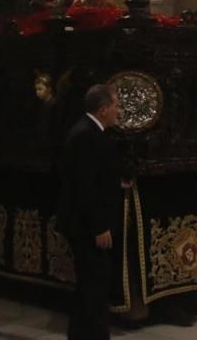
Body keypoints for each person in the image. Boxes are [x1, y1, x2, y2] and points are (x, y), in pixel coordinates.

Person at [60, 84, 126, 340]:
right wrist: (99, 226)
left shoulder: (89, 132)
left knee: (89, 287)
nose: (117, 111)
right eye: (115, 106)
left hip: (87, 224)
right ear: (103, 109)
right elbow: (84, 187)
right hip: (89, 228)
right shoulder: (86, 136)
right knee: (94, 289)